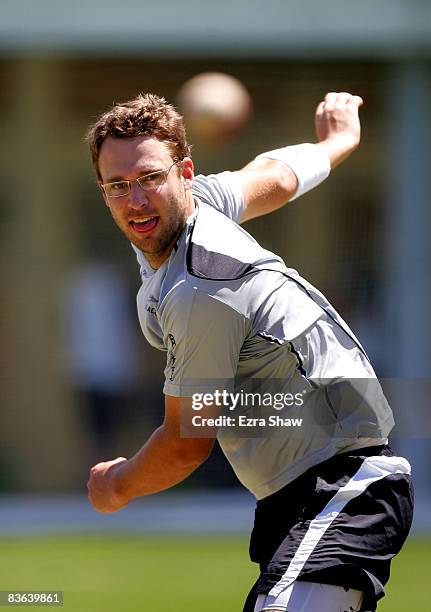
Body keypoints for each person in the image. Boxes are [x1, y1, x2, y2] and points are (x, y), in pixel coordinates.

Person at [86, 91, 413, 612]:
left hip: (343, 488)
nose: (137, 199)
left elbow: (185, 441)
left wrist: (116, 485)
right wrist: (337, 142)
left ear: (184, 172)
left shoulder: (200, 287)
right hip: (301, 492)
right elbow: (276, 176)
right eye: (119, 186)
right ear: (104, 193)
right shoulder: (198, 207)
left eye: (151, 178)